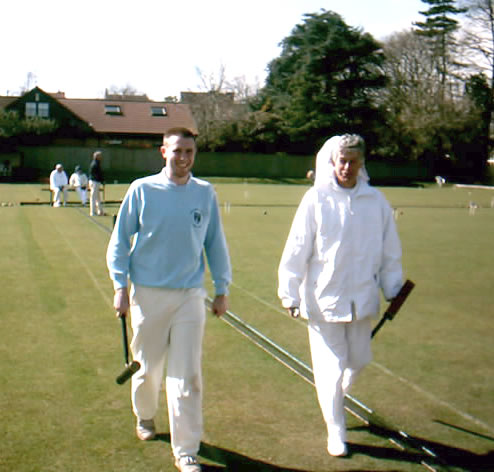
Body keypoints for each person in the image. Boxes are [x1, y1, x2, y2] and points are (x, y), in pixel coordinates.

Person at [106, 127, 232, 472]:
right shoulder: (142, 189)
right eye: (177, 151)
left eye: (189, 152)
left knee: (187, 375)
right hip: (147, 294)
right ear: (164, 152)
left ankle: (186, 450)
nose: (183, 158)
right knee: (147, 370)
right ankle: (145, 416)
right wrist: (120, 286)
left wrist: (222, 288)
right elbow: (119, 242)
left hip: (190, 296)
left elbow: (214, 243)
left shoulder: (205, 193)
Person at [278, 134, 403, 457]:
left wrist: (393, 287)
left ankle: (336, 395)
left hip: (362, 300)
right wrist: (289, 292)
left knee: (359, 360)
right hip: (323, 301)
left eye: (353, 161)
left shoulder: (376, 202)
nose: (346, 167)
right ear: (332, 162)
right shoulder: (316, 199)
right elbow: (296, 248)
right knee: (331, 369)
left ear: (362, 163)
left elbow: (390, 251)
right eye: (342, 161)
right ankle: (337, 431)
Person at [89, 150, 104, 216]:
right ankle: (92, 212)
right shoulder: (95, 164)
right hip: (94, 182)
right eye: (100, 156)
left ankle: (100, 211)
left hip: (96, 182)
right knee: (93, 197)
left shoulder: (97, 163)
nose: (101, 157)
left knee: (98, 197)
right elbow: (97, 174)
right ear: (97, 157)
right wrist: (102, 180)